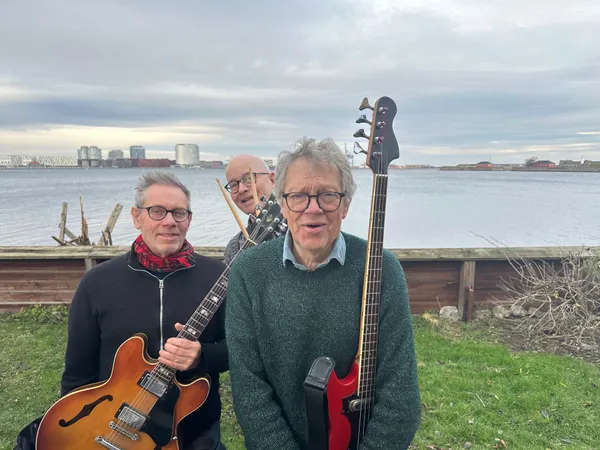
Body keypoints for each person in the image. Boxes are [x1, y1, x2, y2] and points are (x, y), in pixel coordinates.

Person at [225, 138, 421, 449]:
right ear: (282, 203)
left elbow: (401, 398)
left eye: (328, 195)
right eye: (298, 196)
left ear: (346, 205)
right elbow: (251, 393)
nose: (312, 209)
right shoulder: (248, 272)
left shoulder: (381, 269)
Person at [60, 170, 228, 450]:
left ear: (189, 219)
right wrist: (74, 431)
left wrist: (202, 356)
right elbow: (77, 372)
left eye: (179, 213)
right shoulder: (97, 282)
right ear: (136, 217)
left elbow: (240, 350)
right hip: (110, 426)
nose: (169, 222)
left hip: (193, 429)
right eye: (157, 211)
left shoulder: (218, 277)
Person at [222, 154, 277, 265]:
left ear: (272, 180)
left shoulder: (300, 230)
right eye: (233, 185)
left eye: (249, 178)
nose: (241, 189)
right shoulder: (235, 246)